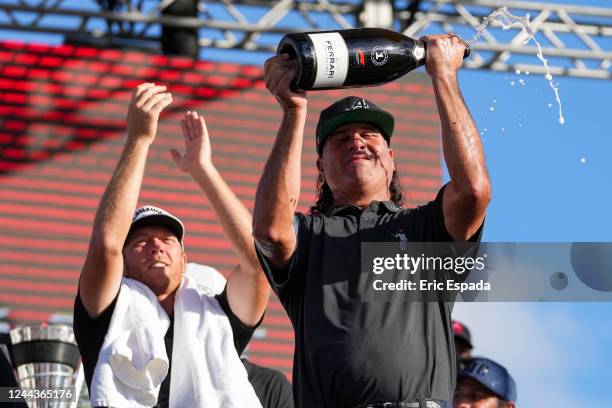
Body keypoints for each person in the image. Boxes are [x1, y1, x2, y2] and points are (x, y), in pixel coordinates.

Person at [253, 33, 491, 408]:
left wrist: (444, 76)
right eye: (340, 138)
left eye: (369, 134)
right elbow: (270, 230)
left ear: (392, 158)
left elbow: (474, 191)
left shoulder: (425, 231)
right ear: (320, 167)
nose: (357, 142)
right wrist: (293, 111)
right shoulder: (311, 237)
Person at [73, 83, 269, 407]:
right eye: (139, 241)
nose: (156, 246)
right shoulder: (106, 311)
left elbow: (257, 260)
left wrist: (204, 171)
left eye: (167, 239)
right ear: (120, 263)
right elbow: (106, 243)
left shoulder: (217, 314)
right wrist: (139, 140)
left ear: (185, 258)